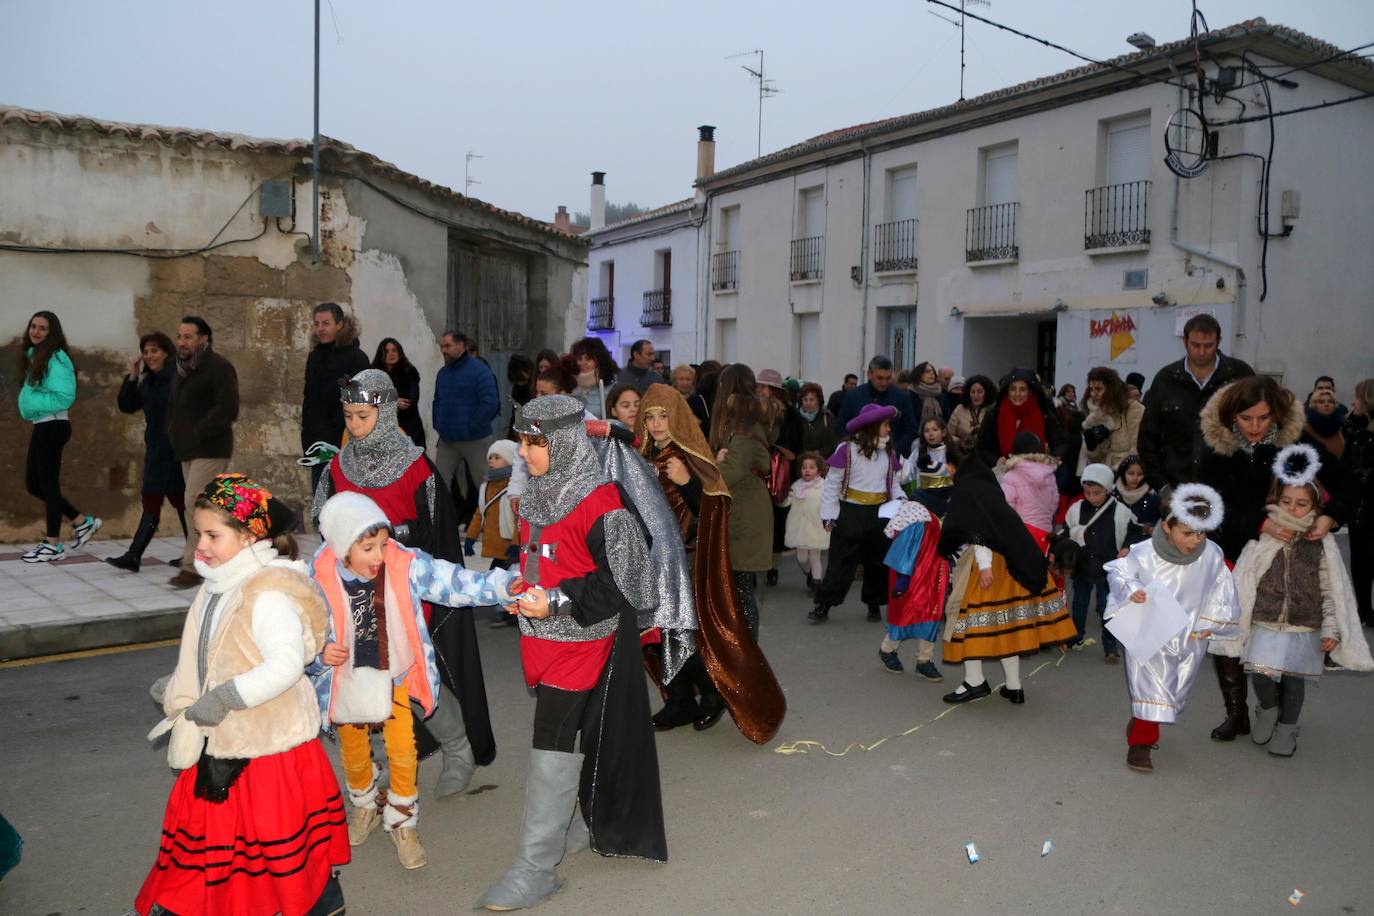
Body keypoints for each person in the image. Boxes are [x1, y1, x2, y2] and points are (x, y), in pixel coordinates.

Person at [477, 395, 668, 911]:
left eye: (533, 442)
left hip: (587, 640)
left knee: (552, 740)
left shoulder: (603, 502)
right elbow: (543, 556)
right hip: (543, 638)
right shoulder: (540, 491)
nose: (523, 452)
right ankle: (578, 825)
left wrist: (556, 601)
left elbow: (627, 584)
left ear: (562, 442)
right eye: (521, 440)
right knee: (581, 736)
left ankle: (534, 867)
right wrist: (523, 585)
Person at [135, 474, 348, 915]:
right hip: (223, 736)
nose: (202, 546)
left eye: (213, 535)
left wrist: (224, 697)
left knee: (269, 838)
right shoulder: (220, 583)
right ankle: (186, 902)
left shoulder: (267, 593)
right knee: (220, 835)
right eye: (199, 534)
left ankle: (313, 900)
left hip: (263, 745)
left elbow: (286, 666)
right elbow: (212, 650)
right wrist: (180, 686)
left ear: (250, 535)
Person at [314, 369, 496, 800]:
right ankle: (374, 765)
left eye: (362, 415)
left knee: (413, 674)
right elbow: (327, 528)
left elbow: (439, 538)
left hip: (402, 588)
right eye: (348, 416)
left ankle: (459, 749)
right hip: (354, 591)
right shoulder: (338, 468)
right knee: (359, 676)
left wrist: (395, 538)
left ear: (383, 410)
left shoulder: (416, 469)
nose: (354, 426)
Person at [311, 491, 517, 870]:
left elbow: (454, 583)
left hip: (394, 675)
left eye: (383, 544)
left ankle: (403, 820)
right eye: (368, 547)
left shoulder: (404, 564)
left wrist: (502, 586)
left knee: (403, 750)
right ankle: (365, 805)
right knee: (354, 753)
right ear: (341, 548)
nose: (379, 555)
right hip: (346, 682)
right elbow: (302, 629)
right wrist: (320, 652)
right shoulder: (318, 577)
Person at [1196, 375, 1355, 741]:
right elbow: (1209, 508)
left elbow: (1349, 482)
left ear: (1277, 417)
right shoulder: (1216, 448)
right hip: (1234, 551)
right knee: (1229, 631)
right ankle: (1237, 713)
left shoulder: (1293, 444)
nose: (1253, 427)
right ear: (1231, 415)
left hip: (1287, 559)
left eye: (1263, 418)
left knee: (1279, 633)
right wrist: (1260, 523)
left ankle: (1282, 713)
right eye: (1245, 418)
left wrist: (1331, 516)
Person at [635, 384, 787, 739]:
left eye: (664, 416)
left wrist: (687, 482)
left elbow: (714, 508)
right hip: (651, 560)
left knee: (688, 633)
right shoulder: (641, 456)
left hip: (686, 560)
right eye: (650, 417)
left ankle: (714, 692)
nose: (657, 424)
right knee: (657, 635)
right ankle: (680, 700)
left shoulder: (690, 456)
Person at [1227, 449, 1373, 757]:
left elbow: (1333, 590)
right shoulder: (1264, 536)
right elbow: (1244, 582)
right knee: (1261, 674)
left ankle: (1288, 729)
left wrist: (1331, 629)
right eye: (1287, 501)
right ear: (1277, 501)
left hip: (1305, 624)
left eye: (1302, 503)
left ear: (1316, 505)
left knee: (1294, 680)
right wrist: (1237, 619)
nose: (1293, 508)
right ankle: (1267, 709)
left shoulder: (1321, 543)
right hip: (1265, 619)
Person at [1105, 483, 1240, 773]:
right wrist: (1132, 589)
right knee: (1152, 687)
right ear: (1167, 526)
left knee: (1174, 691)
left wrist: (1211, 623)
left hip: (1190, 635)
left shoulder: (1212, 555)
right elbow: (1120, 572)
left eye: (1201, 532)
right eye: (1187, 533)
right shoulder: (1143, 553)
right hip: (1151, 632)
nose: (1195, 540)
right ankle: (1141, 742)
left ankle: (1145, 717)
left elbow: (1222, 588)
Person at [939, 448, 1078, 704]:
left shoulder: (968, 488)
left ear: (954, 465)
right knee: (1006, 624)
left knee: (966, 620)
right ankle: (1014, 686)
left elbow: (978, 529)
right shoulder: (988, 485)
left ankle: (974, 681)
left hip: (988, 561)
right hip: (1011, 561)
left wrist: (984, 566)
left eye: (947, 465)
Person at [18, 310, 102, 563]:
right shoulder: (37, 356)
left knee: (48, 484)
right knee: (35, 484)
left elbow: (65, 396)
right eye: (33, 326)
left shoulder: (57, 358)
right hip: (44, 425)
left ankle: (52, 544)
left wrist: (31, 400)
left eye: (42, 328)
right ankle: (81, 522)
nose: (36, 331)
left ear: (52, 333)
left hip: (53, 426)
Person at [1137, 313, 1254, 490]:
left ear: (1219, 341)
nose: (1201, 351)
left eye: (1209, 345)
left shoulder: (1240, 375)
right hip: (1177, 487)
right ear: (1185, 342)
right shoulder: (1166, 379)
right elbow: (1148, 437)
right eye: (1195, 345)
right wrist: (1161, 486)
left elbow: (1259, 430)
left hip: (1229, 488)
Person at [810, 403, 903, 624]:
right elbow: (832, 485)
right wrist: (829, 515)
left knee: (877, 562)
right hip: (850, 513)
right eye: (885, 425)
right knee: (840, 561)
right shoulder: (847, 450)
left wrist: (902, 503)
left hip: (879, 514)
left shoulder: (889, 452)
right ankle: (824, 604)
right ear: (872, 427)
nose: (889, 429)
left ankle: (874, 604)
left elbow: (895, 484)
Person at [168, 316, 239, 587]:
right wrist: (174, 431)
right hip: (187, 448)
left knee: (193, 503)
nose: (182, 342)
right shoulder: (182, 369)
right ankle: (220, 555)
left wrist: (200, 429)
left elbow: (228, 408)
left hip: (210, 447)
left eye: (188, 336)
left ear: (204, 339)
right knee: (203, 507)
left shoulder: (219, 367)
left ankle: (194, 565)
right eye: (179, 336)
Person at [107, 332, 186, 572]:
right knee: (158, 499)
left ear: (166, 352)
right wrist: (132, 375)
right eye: (146, 351)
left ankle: (195, 555)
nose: (149, 356)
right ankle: (134, 557)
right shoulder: (148, 381)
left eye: (154, 351)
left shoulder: (177, 376)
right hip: (156, 449)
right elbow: (126, 405)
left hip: (176, 450)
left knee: (181, 502)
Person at [710, 365, 775, 637]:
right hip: (743, 508)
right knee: (738, 586)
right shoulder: (742, 421)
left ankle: (748, 653)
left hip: (745, 511)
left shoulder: (743, 425)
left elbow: (733, 471)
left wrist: (708, 469)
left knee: (741, 587)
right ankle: (744, 649)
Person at [1063, 462, 1144, 661]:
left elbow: (1135, 532)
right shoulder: (1076, 509)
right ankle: (1076, 636)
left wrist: (1126, 547)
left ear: (1107, 490)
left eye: (1097, 493)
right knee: (1079, 604)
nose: (1091, 497)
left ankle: (1110, 646)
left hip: (1108, 568)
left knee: (1107, 608)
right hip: (1081, 567)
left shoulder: (1121, 511)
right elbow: (1066, 532)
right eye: (1087, 492)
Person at [877, 499, 948, 682]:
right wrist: (903, 581)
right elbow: (904, 553)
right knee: (908, 615)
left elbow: (906, 554)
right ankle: (888, 650)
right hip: (917, 577)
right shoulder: (919, 517)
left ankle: (923, 660)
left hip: (930, 576)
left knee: (929, 616)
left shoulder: (921, 520)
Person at [303, 303, 370, 491]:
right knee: (321, 501)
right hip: (318, 444)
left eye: (326, 323)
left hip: (345, 442)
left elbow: (362, 401)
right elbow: (309, 399)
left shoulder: (356, 358)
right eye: (317, 324)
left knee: (346, 500)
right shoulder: (315, 357)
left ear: (340, 325)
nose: (320, 329)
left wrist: (341, 426)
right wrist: (307, 436)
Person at [433, 330, 500, 517]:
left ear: (461, 345)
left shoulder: (480, 371)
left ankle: (493, 524)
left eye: (447, 345)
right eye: (442, 346)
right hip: (448, 439)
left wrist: (471, 426)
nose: (443, 350)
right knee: (439, 482)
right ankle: (441, 526)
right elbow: (437, 400)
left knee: (485, 483)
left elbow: (490, 403)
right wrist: (438, 423)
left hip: (476, 439)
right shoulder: (443, 373)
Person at [757, 368, 804, 586]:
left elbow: (795, 444)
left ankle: (773, 566)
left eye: (763, 386)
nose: (759, 390)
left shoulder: (790, 414)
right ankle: (758, 564)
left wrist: (776, 451)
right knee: (757, 518)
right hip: (756, 470)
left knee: (776, 519)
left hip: (780, 473)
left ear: (773, 389)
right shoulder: (753, 410)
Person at [976, 367, 1065, 468]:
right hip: (1002, 475)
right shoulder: (994, 414)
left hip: (1038, 475)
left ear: (1030, 392)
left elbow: (1060, 443)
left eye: (1022, 389)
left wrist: (1052, 460)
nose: (1017, 394)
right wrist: (996, 460)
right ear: (1007, 391)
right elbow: (982, 448)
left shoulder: (1044, 414)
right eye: (1013, 389)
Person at [834, 356, 919, 456]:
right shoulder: (853, 396)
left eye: (888, 378)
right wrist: (855, 448)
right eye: (880, 378)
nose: (884, 382)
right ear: (869, 375)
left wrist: (894, 449)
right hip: (859, 455)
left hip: (891, 455)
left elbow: (910, 428)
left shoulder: (902, 397)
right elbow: (841, 427)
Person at [996, 431, 1061, 546]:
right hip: (1045, 532)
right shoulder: (1049, 474)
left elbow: (1006, 509)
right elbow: (1054, 503)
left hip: (1021, 534)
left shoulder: (1010, 477)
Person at [1345, 379, 1374, 627]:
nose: (1353, 402)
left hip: (1369, 504)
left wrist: (1361, 476)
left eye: (1357, 397)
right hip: (1357, 510)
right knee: (1360, 563)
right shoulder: (1353, 428)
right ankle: (1365, 610)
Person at [466, 439, 520, 570]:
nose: (491, 460)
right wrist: (471, 537)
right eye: (490, 457)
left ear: (510, 460)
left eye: (497, 457)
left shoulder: (515, 488)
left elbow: (520, 519)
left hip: (511, 547)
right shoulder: (487, 486)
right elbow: (480, 513)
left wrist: (516, 544)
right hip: (497, 547)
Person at [784, 452, 830, 594]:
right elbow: (787, 501)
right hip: (799, 527)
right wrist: (780, 497)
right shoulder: (797, 486)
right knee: (802, 558)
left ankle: (817, 584)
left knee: (815, 556)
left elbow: (830, 504)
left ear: (819, 470)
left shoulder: (824, 486)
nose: (807, 470)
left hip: (817, 526)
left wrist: (829, 520)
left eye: (811, 467)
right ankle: (809, 573)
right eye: (804, 467)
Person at [1081, 367, 1143, 471]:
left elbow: (1138, 448)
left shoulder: (1132, 408)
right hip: (1104, 475)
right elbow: (1094, 459)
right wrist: (1092, 446)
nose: (1093, 394)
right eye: (1091, 389)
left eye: (1099, 389)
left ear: (1111, 389)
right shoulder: (1094, 414)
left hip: (1128, 475)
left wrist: (1120, 470)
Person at [373, 337, 426, 448]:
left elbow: (410, 401)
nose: (391, 354)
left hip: (408, 427)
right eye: (387, 351)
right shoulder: (374, 374)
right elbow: (367, 397)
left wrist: (382, 399)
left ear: (399, 352)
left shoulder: (409, 372)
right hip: (381, 429)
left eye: (394, 350)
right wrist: (393, 401)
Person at [569, 337, 618, 419]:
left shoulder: (612, 386)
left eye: (588, 359)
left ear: (599, 360)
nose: (583, 363)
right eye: (579, 359)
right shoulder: (571, 384)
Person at [946, 375, 995, 455]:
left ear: (987, 392)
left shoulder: (992, 410)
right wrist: (961, 442)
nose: (976, 395)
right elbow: (948, 435)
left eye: (979, 392)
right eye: (972, 392)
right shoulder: (960, 409)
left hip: (985, 455)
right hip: (962, 454)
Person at [1112, 454, 1161, 534]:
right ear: (1123, 473)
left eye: (1140, 474)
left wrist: (1151, 528)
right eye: (1131, 473)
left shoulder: (1153, 498)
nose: (1135, 478)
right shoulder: (1112, 495)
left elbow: (1159, 522)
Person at [798, 382, 837, 460]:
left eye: (812, 400)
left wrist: (818, 454)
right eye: (805, 400)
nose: (808, 403)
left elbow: (833, 443)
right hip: (801, 464)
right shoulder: (796, 417)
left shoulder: (827, 417)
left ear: (818, 401)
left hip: (822, 464)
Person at [1304, 387, 1346, 460]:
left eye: (1330, 401)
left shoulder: (1341, 425)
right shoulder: (1306, 426)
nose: (1326, 404)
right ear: (1314, 405)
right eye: (1321, 402)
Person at [671, 363, 710, 431]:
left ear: (693, 381)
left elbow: (706, 425)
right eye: (681, 379)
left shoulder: (699, 399)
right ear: (674, 381)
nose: (685, 383)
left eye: (688, 379)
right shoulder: (668, 398)